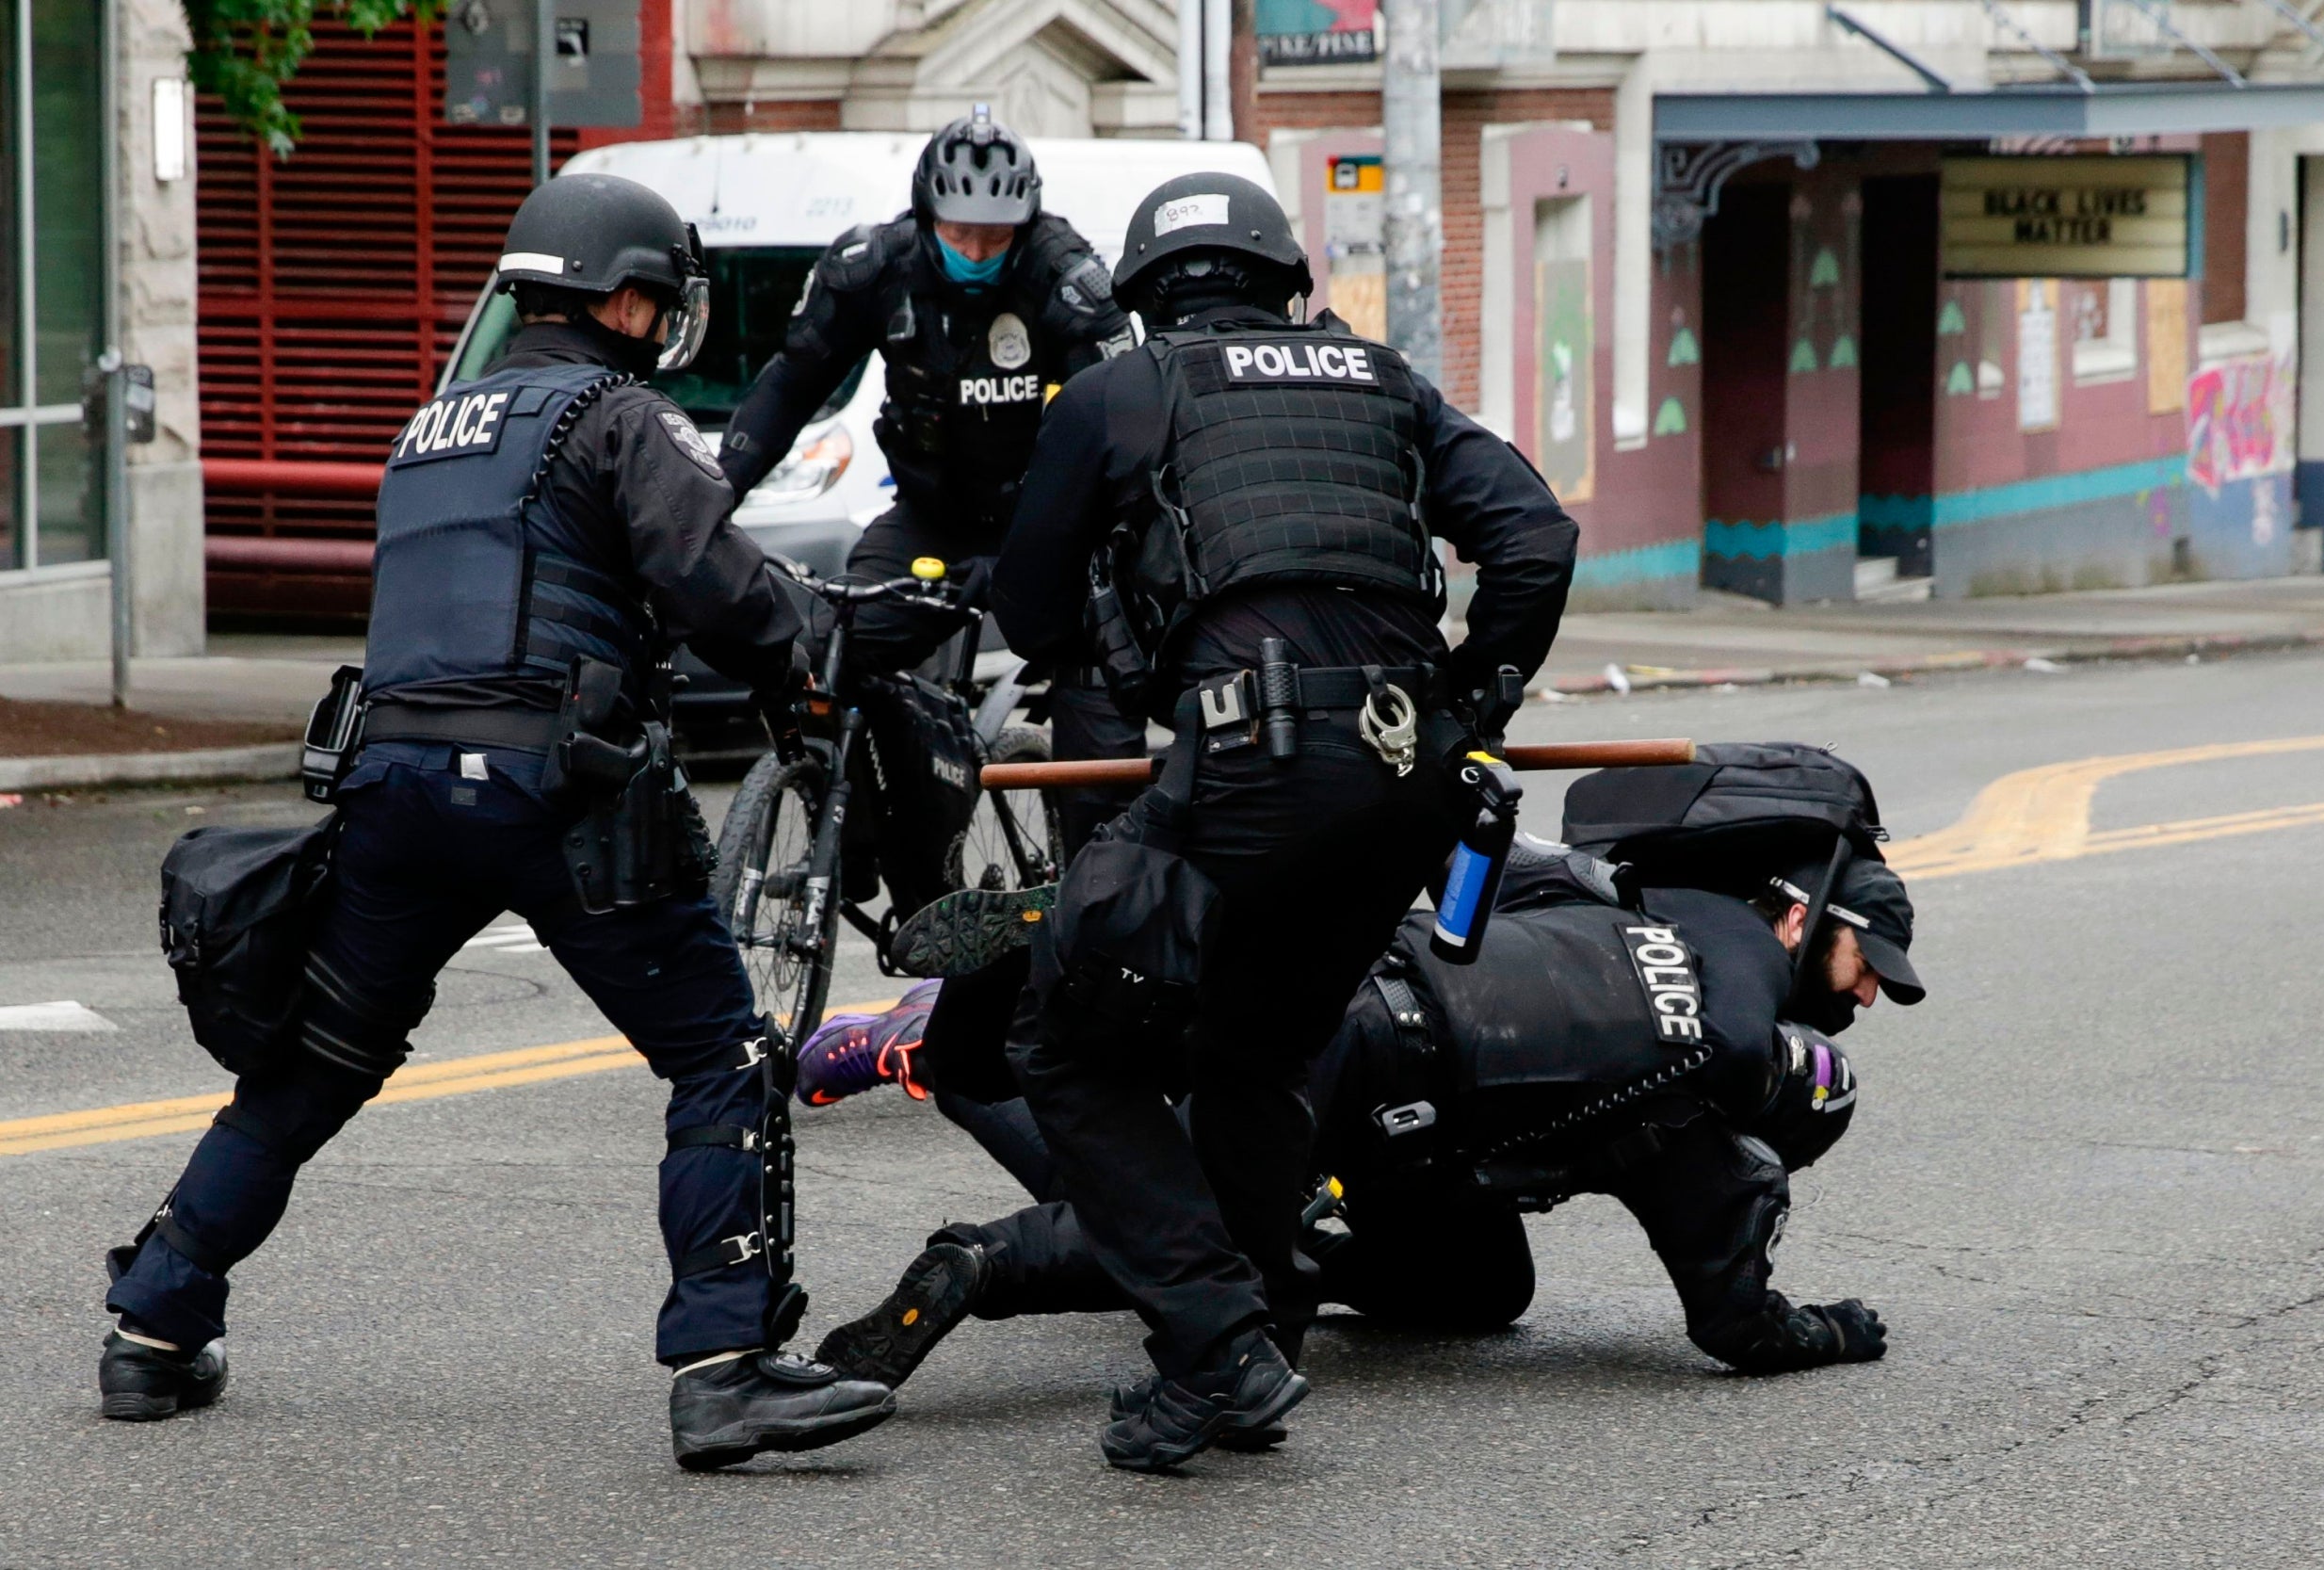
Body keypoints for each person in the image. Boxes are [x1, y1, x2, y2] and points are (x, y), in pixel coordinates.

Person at [98, 172, 897, 1470]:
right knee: (719, 1054)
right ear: (623, 298)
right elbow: (717, 584)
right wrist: (821, 644)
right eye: (659, 298)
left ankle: (152, 1322)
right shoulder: (616, 412)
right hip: (555, 788)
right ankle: (725, 1367)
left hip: (392, 787)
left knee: (315, 1063)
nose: (662, 320)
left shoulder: (430, 426)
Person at [928, 170, 1578, 1470]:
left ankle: (1219, 1339)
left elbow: (1038, 614)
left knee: (1059, 1039)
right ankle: (1247, 1346)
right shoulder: (1385, 381)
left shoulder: (1121, 391)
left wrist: (1127, 650)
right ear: (1285, 281)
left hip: (1251, 766)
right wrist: (1473, 695)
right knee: (1254, 1048)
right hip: (1412, 781)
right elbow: (1536, 537)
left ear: (1147, 298)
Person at [807, 844, 1919, 1434]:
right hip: (1367, 1074)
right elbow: (1737, 1323)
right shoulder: (1701, 1104)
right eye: (1868, 969)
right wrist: (1836, 1328)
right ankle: (983, 1260)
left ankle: (958, 1033)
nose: (1869, 994)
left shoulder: (1645, 906)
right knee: (1193, 1232)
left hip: (1347, 979)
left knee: (1487, 1289)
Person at [718, 106, 1145, 906]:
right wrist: (710, 500)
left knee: (1101, 694)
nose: (977, 251)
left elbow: (1125, 423)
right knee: (824, 651)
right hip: (930, 521)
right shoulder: (873, 268)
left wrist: (1091, 550)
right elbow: (787, 390)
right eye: (959, 234)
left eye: (996, 237)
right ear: (924, 216)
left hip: (1046, 527)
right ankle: (861, 841)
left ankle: (1101, 903)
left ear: (1026, 223)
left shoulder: (1065, 274)